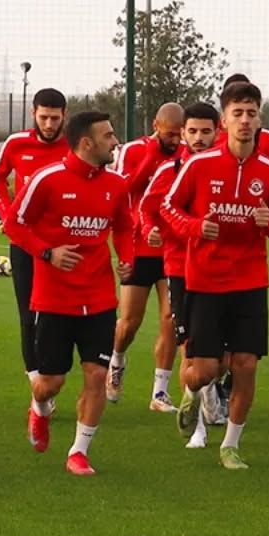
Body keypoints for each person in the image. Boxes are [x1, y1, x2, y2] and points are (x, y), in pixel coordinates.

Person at [162, 82, 269, 469]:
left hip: (250, 281)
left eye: (251, 113)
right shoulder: (199, 165)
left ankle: (231, 445)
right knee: (204, 370)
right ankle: (191, 393)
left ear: (260, 119)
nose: (245, 120)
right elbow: (169, 207)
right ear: (224, 120)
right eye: (237, 113)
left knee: (246, 365)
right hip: (205, 281)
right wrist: (194, 226)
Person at [7, 111, 135, 475]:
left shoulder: (116, 185)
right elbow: (14, 224)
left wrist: (126, 258)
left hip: (99, 298)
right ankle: (39, 409)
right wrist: (48, 253)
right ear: (86, 143)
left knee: (96, 374)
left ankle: (79, 451)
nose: (115, 142)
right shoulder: (47, 180)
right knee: (51, 382)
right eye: (108, 136)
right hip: (53, 299)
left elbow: (124, 228)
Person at [135, 102, 219, 416]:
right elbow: (146, 208)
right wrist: (150, 229)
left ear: (217, 133)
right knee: (187, 341)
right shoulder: (168, 171)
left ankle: (210, 393)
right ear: (183, 133)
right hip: (180, 265)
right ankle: (194, 414)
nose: (198, 138)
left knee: (226, 352)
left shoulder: (225, 168)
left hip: (220, 267)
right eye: (192, 131)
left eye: (205, 131)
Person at [107, 102, 185, 404]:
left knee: (170, 317)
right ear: (156, 126)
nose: (175, 140)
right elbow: (121, 190)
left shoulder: (185, 155)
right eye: (170, 134)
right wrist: (151, 158)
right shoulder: (133, 150)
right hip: (138, 246)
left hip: (171, 248)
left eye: (179, 134)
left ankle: (160, 392)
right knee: (129, 322)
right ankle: (117, 360)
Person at [0, 87, 68, 387]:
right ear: (33, 113)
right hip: (24, 242)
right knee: (28, 313)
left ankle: (53, 371)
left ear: (64, 116)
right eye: (43, 117)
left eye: (55, 118)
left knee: (59, 313)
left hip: (63, 243)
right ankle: (36, 381)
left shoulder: (74, 144)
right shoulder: (16, 143)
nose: (49, 124)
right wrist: (7, 215)